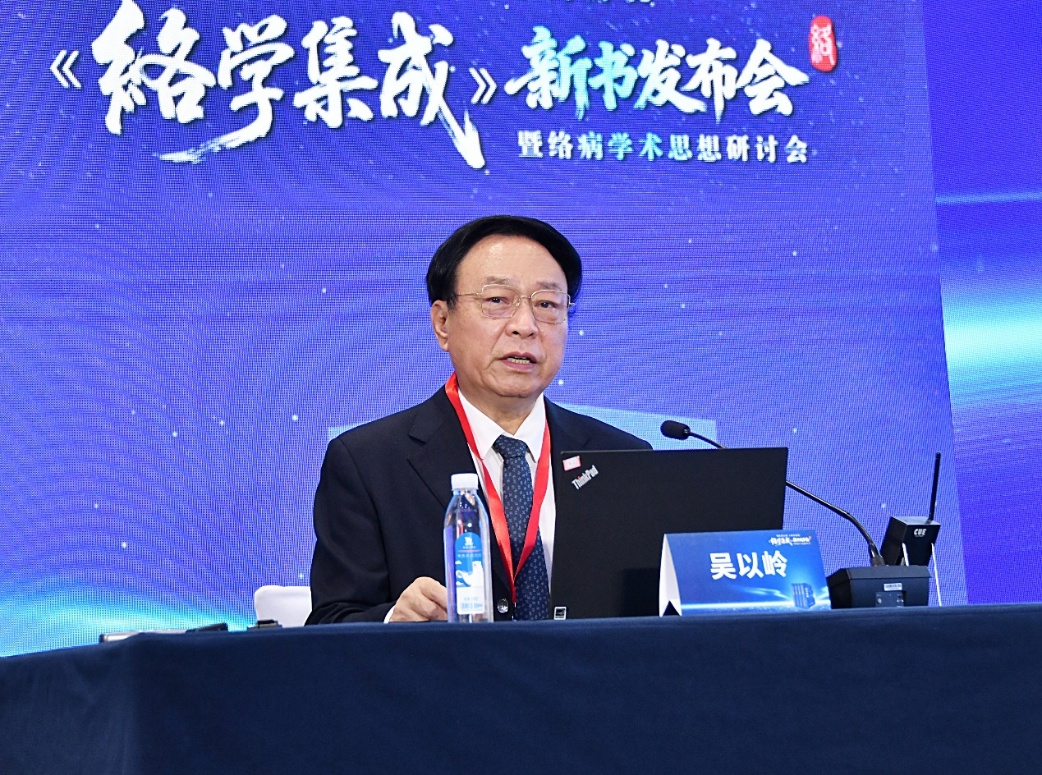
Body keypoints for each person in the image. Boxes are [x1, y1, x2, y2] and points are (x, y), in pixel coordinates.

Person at [306, 215, 650, 624]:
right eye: (497, 300)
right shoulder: (368, 462)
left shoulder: (623, 458)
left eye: (547, 305)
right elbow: (329, 624)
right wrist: (394, 621)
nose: (525, 326)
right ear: (442, 323)